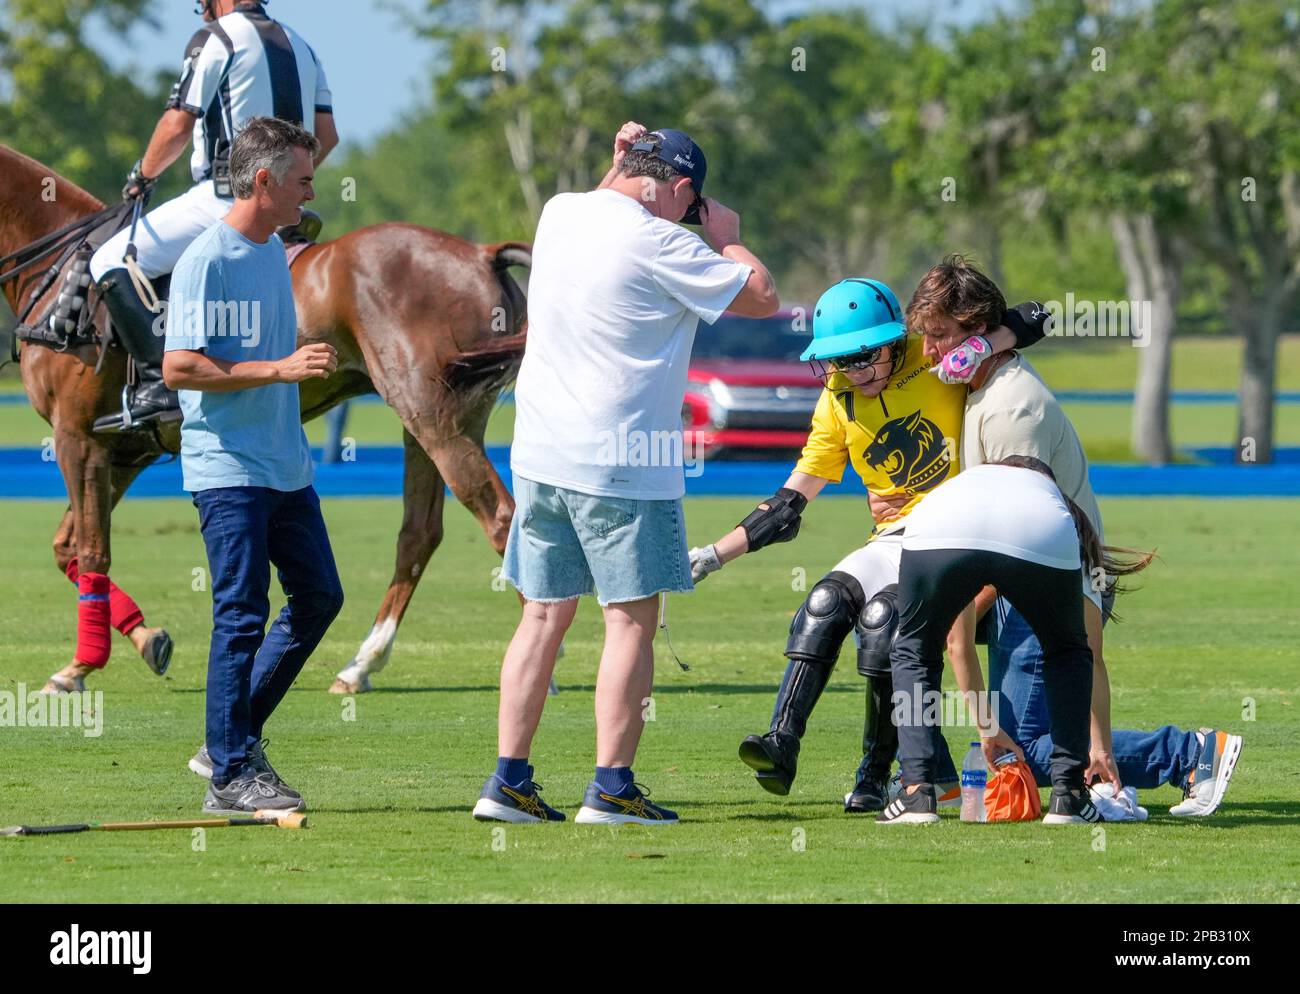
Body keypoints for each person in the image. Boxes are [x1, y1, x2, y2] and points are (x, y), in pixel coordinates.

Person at [471, 122, 778, 826]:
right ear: (677, 189)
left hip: (541, 455)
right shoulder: (665, 240)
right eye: (688, 200)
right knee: (630, 623)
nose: (689, 214)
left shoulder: (558, 212)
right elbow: (762, 294)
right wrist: (725, 232)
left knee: (543, 617)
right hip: (622, 464)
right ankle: (612, 789)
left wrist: (622, 166)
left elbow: (611, 194)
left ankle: (508, 784)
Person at [689, 277, 1048, 811]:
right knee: (824, 603)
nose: (854, 372)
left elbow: (1038, 314)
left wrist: (981, 345)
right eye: (839, 361)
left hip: (954, 534)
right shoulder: (837, 396)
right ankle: (781, 743)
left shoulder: (931, 358)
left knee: (883, 620)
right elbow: (790, 502)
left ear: (890, 343)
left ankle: (877, 773)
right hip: (894, 537)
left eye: (863, 359)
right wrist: (710, 557)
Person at [904, 256, 1242, 816]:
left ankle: (1188, 753)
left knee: (1031, 751)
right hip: (1028, 570)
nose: (931, 352)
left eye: (940, 336)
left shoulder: (1013, 407)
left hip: (1049, 572)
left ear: (978, 332)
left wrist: (1092, 740)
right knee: (1017, 741)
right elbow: (1036, 317)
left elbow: (1020, 532)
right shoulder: (982, 382)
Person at [162, 117, 344, 813]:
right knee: (241, 612)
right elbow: (179, 366)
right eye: (302, 179)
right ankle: (234, 773)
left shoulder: (273, 249)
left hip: (285, 466)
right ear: (263, 181)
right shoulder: (208, 259)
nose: (312, 190)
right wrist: (280, 367)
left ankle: (226, 744)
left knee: (320, 597)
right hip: (227, 466)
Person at [91, 0, 337, 431]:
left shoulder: (217, 38)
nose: (201, 10)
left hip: (226, 197)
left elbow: (176, 126)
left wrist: (142, 177)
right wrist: (287, 184)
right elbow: (327, 136)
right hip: (286, 205)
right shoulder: (305, 47)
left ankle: (158, 385)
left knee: (107, 260)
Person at [877, 456, 1153, 825]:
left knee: (914, 650)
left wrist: (987, 729)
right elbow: (1085, 650)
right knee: (1065, 651)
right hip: (1037, 533)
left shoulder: (968, 486)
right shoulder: (1054, 509)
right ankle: (1068, 796)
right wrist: (1098, 747)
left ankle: (917, 793)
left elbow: (956, 644)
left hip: (939, 528)